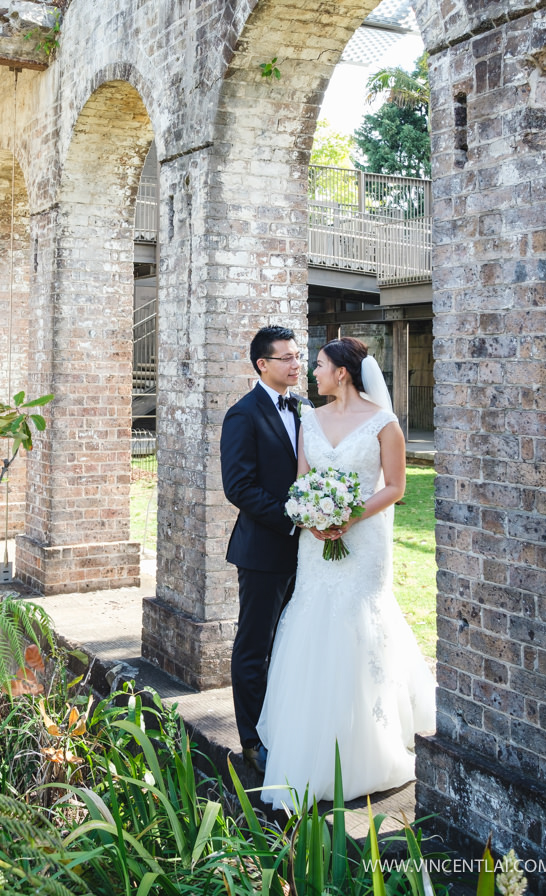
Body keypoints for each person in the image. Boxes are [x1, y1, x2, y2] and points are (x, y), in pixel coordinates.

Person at [257, 336, 436, 807]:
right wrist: (311, 517)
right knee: (312, 625)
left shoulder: (384, 423)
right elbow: (301, 483)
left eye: (317, 365)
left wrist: (350, 515)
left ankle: (366, 748)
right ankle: (309, 745)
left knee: (360, 627)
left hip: (364, 541)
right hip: (316, 544)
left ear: (342, 372)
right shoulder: (309, 419)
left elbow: (396, 487)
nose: (310, 371)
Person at [221, 325, 303, 774]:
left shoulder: (306, 408)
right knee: (255, 646)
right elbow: (239, 487)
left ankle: (285, 728)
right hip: (263, 552)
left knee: (293, 644)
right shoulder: (243, 414)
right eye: (287, 358)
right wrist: (292, 518)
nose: (296, 364)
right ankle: (252, 740)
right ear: (262, 365)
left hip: (308, 553)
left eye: (298, 356)